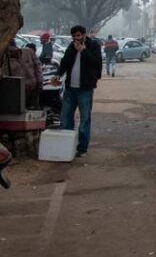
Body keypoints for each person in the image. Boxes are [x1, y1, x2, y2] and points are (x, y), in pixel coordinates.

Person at [51, 25, 103, 158]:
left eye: (78, 36)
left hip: (85, 89)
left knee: (85, 119)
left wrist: (83, 50)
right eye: (74, 36)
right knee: (65, 117)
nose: (76, 39)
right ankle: (67, 145)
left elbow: (97, 64)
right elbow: (65, 62)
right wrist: (58, 74)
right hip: (70, 88)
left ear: (84, 35)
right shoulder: (71, 46)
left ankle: (82, 148)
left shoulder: (93, 46)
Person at [2, 40, 43, 109]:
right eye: (10, 52)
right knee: (23, 110)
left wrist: (40, 81)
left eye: (13, 51)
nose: (12, 53)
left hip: (34, 88)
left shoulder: (28, 52)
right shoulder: (7, 61)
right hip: (20, 91)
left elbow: (38, 66)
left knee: (35, 109)